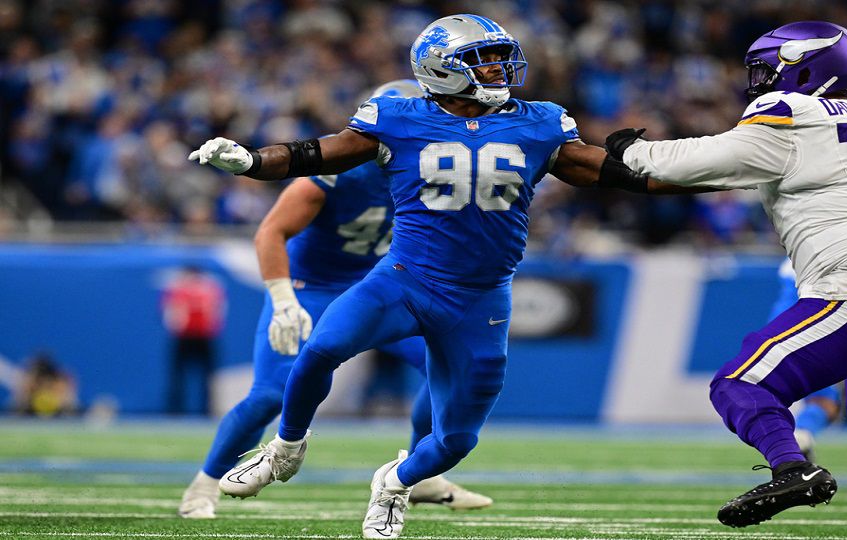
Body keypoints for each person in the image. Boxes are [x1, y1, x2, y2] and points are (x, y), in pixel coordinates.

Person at [189, 14, 686, 538]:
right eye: (483, 59)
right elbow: (316, 153)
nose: (498, 69)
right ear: (441, 70)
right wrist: (250, 161)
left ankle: (397, 482)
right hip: (405, 280)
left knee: (456, 442)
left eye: (499, 57)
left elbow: (612, 173)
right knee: (320, 349)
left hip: (481, 299)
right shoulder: (398, 119)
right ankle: (285, 450)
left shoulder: (539, 122)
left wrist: (713, 173)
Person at [606, 20, 847, 527]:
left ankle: (792, 468)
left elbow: (706, 160)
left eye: (767, 69)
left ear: (806, 69)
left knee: (739, 383)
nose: (759, 81)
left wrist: (632, 152)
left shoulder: (790, 111)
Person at [179, 80, 493, 519]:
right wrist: (283, 298)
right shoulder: (340, 170)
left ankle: (421, 475)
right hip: (311, 288)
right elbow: (272, 230)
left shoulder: (441, 166)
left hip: (380, 287)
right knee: (271, 394)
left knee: (447, 368)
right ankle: (204, 483)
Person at [771, 259, 842, 463]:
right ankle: (797, 443)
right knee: (826, 402)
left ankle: (797, 442)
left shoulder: (799, 250)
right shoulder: (839, 249)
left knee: (819, 398)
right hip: (812, 319)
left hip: (779, 322)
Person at [161, 265, 226, 415]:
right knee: (189, 375)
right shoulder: (210, 288)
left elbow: (170, 315)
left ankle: (180, 410)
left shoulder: (181, 289)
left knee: (185, 375)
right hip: (198, 336)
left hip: (193, 336)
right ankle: (199, 409)